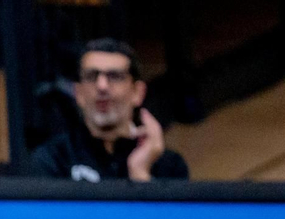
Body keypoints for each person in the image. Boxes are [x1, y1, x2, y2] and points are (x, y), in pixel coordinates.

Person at [27, 38, 190, 183]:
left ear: (138, 92)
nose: (102, 86)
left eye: (115, 76)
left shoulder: (169, 165)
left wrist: (140, 173)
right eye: (92, 76)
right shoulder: (52, 159)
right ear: (79, 93)